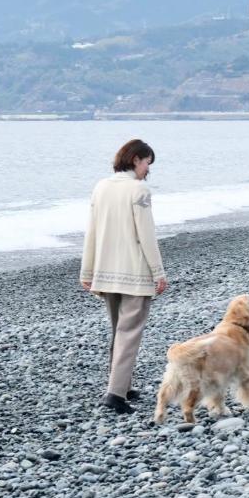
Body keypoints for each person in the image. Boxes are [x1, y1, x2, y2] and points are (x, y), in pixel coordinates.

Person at [81, 139, 168, 414]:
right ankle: (116, 393)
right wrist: (159, 272)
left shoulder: (101, 186)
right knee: (129, 333)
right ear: (135, 160)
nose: (146, 170)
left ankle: (122, 384)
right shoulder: (138, 190)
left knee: (118, 330)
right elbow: (146, 236)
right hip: (134, 272)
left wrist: (87, 270)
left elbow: (92, 231)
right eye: (146, 164)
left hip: (105, 272)